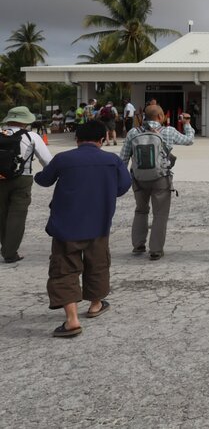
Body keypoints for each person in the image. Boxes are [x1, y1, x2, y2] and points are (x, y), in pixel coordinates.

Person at [34, 120, 131, 338]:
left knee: (64, 268)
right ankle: (95, 304)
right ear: (103, 139)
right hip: (99, 223)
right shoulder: (112, 160)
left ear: (77, 139)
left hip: (66, 225)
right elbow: (124, 185)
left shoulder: (64, 159)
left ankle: (72, 320)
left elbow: (43, 180)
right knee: (97, 264)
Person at [120, 104, 195, 260]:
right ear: (161, 116)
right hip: (161, 178)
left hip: (139, 179)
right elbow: (189, 141)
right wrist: (187, 123)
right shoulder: (168, 131)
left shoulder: (133, 132)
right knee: (160, 214)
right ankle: (155, 250)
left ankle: (138, 245)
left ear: (145, 117)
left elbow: (124, 158)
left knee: (140, 210)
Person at [0, 106, 53, 263]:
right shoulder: (31, 136)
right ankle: (10, 253)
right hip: (22, 179)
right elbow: (47, 161)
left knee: (2, 214)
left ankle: (6, 245)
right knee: (17, 215)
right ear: (26, 121)